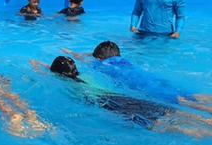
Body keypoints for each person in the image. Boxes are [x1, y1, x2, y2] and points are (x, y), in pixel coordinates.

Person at [35, 56, 212, 138]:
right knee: (169, 112)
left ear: (58, 73)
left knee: (156, 125)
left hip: (110, 104)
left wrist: (37, 64)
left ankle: (202, 133)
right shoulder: (85, 75)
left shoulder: (64, 82)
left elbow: (45, 70)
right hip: (123, 97)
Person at [61, 41, 212, 112]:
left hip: (143, 88)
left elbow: (85, 60)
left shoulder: (100, 65)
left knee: (182, 101)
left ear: (99, 59)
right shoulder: (124, 60)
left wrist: (71, 53)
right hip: (152, 79)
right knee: (190, 96)